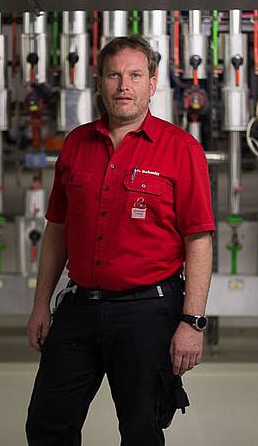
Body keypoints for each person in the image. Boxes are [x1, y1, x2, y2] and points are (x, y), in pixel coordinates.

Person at [25, 35, 215, 446]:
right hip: (79, 307)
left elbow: (198, 240)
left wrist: (192, 321)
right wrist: (41, 303)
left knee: (141, 430)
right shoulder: (76, 144)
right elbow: (57, 229)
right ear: (99, 81)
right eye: (114, 75)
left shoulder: (181, 149)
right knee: (47, 424)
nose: (123, 86)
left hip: (147, 313)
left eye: (134, 75)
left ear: (152, 83)